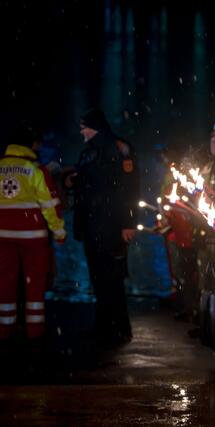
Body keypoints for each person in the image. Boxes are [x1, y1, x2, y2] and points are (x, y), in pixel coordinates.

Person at [67, 108, 139, 346]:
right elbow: (88, 182)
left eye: (84, 127)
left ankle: (119, 328)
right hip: (94, 224)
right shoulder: (91, 151)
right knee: (100, 277)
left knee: (112, 277)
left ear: (94, 127)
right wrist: (70, 181)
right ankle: (106, 326)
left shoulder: (117, 148)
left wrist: (128, 222)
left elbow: (129, 187)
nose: (81, 132)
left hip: (110, 224)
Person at [0, 123, 65, 344]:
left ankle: (4, 329)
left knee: (4, 282)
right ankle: (35, 332)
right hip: (32, 237)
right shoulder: (36, 170)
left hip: (2, 236)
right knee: (35, 283)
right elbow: (50, 205)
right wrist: (59, 233)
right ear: (30, 145)